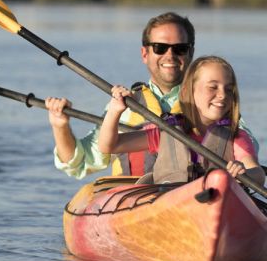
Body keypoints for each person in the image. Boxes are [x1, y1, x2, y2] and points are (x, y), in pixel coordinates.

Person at [45, 11, 257, 179]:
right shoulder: (125, 106)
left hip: (202, 198)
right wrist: (60, 125)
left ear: (190, 53)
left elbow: (246, 147)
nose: (170, 55)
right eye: (160, 47)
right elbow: (79, 163)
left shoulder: (213, 104)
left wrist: (244, 170)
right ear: (145, 54)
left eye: (180, 48)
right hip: (133, 205)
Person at [97, 55, 264, 186]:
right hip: (170, 206)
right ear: (189, 91)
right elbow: (109, 146)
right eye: (213, 87)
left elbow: (257, 173)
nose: (223, 95)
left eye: (229, 89)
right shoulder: (167, 132)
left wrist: (244, 173)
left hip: (215, 203)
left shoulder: (236, 136)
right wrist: (114, 111)